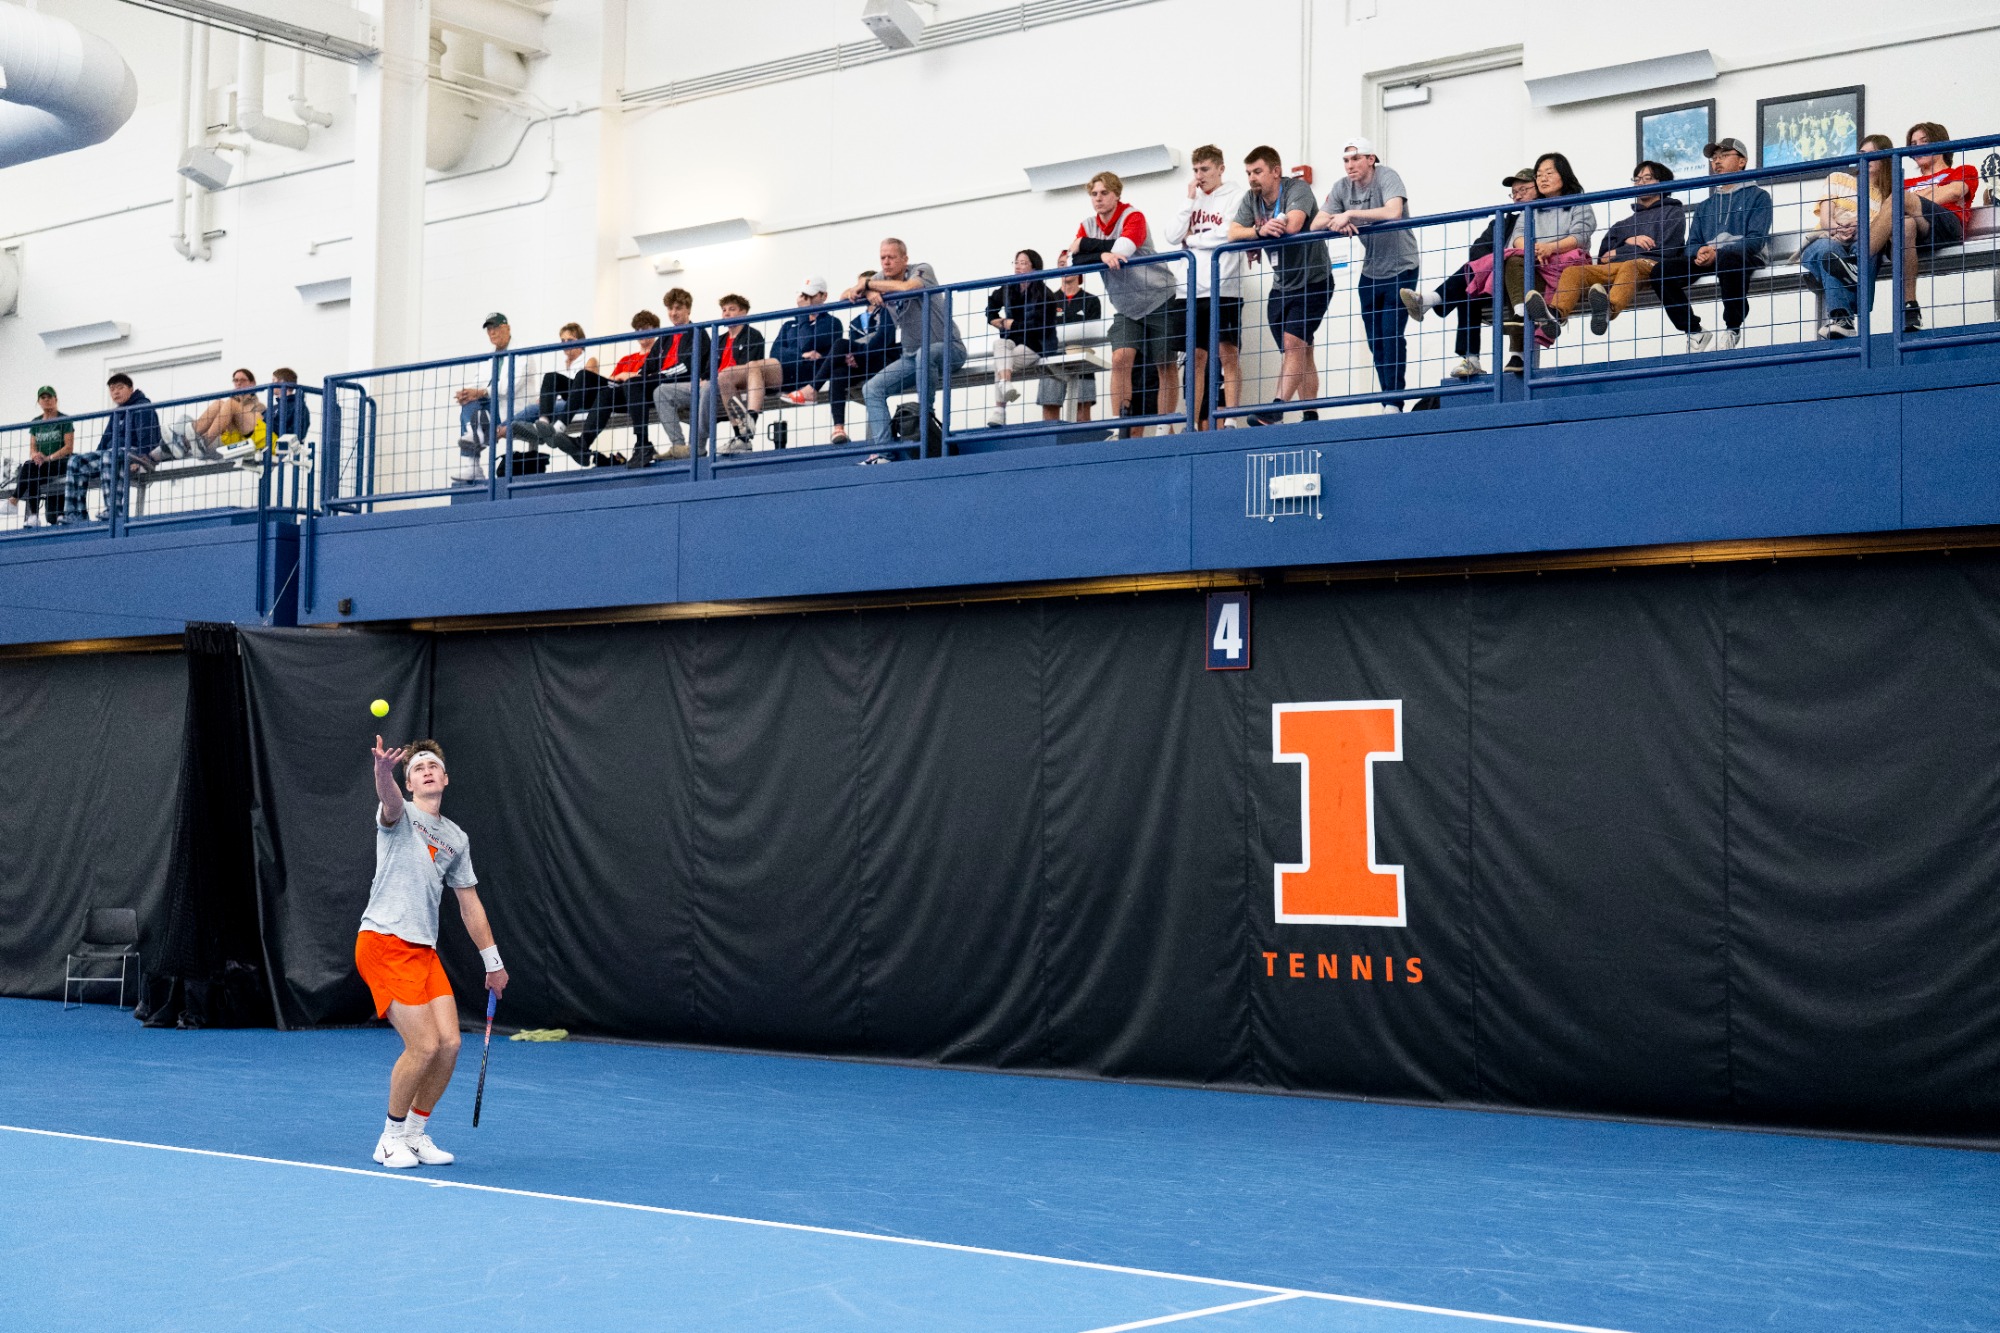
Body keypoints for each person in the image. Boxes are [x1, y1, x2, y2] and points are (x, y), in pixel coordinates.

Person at [356, 736, 508, 1170]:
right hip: (383, 941)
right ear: (409, 782)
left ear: (444, 779)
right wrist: (382, 774)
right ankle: (389, 1139)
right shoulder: (399, 815)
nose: (426, 770)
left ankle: (415, 1134)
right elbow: (387, 801)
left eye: (433, 766)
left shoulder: (455, 838)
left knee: (450, 1045)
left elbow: (470, 904)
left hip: (423, 950)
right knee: (422, 1046)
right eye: (417, 767)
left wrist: (493, 963)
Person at [1066, 171, 1180, 435]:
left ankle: (1164, 424)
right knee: (1120, 358)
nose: (1098, 198)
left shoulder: (1134, 216)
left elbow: (1123, 250)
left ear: (1117, 194)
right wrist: (1102, 252)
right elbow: (1075, 261)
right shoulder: (1088, 223)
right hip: (1126, 307)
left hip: (1158, 297)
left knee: (1164, 361)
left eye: (1104, 193)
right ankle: (1120, 425)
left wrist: (1085, 245)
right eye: (1094, 194)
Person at [1525, 161, 1686, 342]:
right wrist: (1630, 242)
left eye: (1647, 178)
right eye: (1637, 179)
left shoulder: (1673, 212)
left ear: (1662, 182)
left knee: (1632, 265)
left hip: (1649, 267)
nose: (1640, 183)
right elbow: (1604, 257)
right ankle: (1555, 314)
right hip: (1618, 270)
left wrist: (1619, 252)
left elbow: (1665, 249)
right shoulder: (1623, 224)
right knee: (1573, 272)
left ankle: (1608, 309)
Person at [1227, 146, 1331, 423]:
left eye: (1258, 171)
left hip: (1314, 281)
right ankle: (1310, 413)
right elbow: (1233, 232)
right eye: (1248, 172)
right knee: (1302, 348)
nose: (1252, 178)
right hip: (1282, 285)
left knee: (1293, 344)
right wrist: (1257, 233)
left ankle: (1276, 409)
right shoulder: (1252, 199)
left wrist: (1259, 237)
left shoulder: (1297, 189)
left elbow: (1294, 225)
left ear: (1276, 171)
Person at [1312, 136, 1416, 412]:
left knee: (1391, 333)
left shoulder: (1387, 176)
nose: (1350, 165)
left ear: (1371, 159)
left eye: (1356, 158)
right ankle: (1388, 399)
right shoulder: (1341, 187)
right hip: (1370, 271)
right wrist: (1339, 222)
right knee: (1375, 341)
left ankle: (1393, 400)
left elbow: (1394, 211)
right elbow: (1316, 224)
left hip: (1402, 265)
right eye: (1346, 160)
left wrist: (1350, 214)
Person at [1401, 170, 1539, 379]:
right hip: (1493, 279)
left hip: (1526, 278)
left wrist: (1496, 261)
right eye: (1514, 192)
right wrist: (1493, 264)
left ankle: (1431, 300)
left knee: (1478, 276)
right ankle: (1471, 359)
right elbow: (1476, 250)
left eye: (1523, 190)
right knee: (1470, 286)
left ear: (1538, 190)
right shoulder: (1502, 220)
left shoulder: (1543, 217)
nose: (1518, 196)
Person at [842, 239, 966, 464]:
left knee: (924, 355)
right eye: (882, 258)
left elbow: (909, 288)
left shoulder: (922, 270)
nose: (886, 262)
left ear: (905, 259)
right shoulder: (879, 279)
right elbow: (845, 295)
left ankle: (924, 420)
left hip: (949, 349)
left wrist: (869, 285)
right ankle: (883, 452)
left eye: (891, 257)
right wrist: (866, 290)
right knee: (872, 388)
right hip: (912, 356)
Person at [1655, 137, 1771, 352]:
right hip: (1709, 257)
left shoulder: (1759, 196)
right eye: (1713, 158)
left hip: (1739, 257)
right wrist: (1700, 251)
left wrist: (1716, 251)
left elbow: (1755, 241)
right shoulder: (1705, 205)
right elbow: (1691, 244)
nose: (1717, 161)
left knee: (1728, 259)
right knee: (1661, 271)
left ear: (1742, 161)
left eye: (1724, 156)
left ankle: (1732, 329)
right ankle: (1694, 331)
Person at [1165, 144, 1246, 428]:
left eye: (1205, 169)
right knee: (1195, 357)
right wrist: (1188, 201)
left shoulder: (1236, 195)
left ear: (1220, 169)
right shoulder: (1191, 198)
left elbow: (1229, 233)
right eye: (1196, 170)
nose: (1200, 175)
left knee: (1227, 353)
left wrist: (1194, 239)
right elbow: (1172, 235)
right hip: (1188, 289)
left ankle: (1232, 418)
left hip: (1223, 287)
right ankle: (1191, 421)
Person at [1494, 153, 1597, 370]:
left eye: (1549, 173)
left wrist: (1549, 247)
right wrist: (1533, 248)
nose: (1543, 178)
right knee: (1515, 268)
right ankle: (1521, 317)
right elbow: (1517, 238)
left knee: (1521, 283)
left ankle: (1517, 354)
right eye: (1539, 174)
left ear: (1564, 175)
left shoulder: (1579, 203)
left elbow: (1580, 236)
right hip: (1537, 265)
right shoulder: (1532, 208)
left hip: (1565, 267)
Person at [718, 279, 841, 448]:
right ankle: (741, 436)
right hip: (782, 369)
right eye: (803, 295)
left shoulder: (831, 323)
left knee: (754, 365)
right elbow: (776, 352)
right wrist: (800, 355)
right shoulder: (789, 324)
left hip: (806, 374)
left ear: (823, 296)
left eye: (811, 296)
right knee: (725, 376)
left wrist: (804, 313)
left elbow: (807, 342)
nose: (807, 300)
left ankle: (750, 420)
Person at [1902, 121, 1977, 331]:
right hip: (1918, 231)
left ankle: (1861, 257)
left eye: (1924, 142)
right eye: (1913, 144)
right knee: (1905, 224)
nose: (1918, 147)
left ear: (1940, 143)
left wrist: (1913, 199)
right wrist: (1928, 193)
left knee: (1901, 201)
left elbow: (1952, 193)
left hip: (1947, 225)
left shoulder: (1963, 170)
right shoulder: (1906, 182)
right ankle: (1910, 307)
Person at [58, 373, 160, 524]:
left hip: (133, 454)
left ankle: (114, 510)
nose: (115, 392)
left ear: (131, 389)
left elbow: (148, 436)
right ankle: (75, 513)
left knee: (108, 457)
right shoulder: (117, 412)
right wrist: (94, 457)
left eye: (120, 388)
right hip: (112, 454)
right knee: (75, 461)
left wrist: (140, 458)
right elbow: (106, 439)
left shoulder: (142, 406)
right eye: (112, 389)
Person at [983, 250, 1059, 428]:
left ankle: (999, 411)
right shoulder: (1009, 288)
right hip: (1012, 341)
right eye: (1016, 262)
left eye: (1023, 263)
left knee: (1000, 362)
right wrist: (997, 320)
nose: (1018, 267)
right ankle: (1006, 384)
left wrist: (1011, 324)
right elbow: (990, 309)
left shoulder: (1044, 294)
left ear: (1034, 267)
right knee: (999, 344)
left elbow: (1039, 327)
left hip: (1036, 344)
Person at [525, 323, 617, 467]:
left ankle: (508, 428)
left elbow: (586, 384)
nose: (566, 344)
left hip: (585, 398)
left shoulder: (589, 359)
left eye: (570, 340)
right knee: (550, 378)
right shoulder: (562, 364)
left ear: (580, 340)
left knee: (532, 409)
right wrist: (546, 398)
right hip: (568, 400)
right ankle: (543, 423)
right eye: (563, 341)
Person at [452, 312, 529, 483]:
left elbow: (509, 387)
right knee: (469, 405)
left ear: (507, 328)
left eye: (496, 328)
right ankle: (473, 464)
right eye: (489, 330)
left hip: (512, 410)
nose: (492, 333)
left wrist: (479, 392)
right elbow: (477, 383)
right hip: (491, 410)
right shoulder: (488, 358)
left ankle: (476, 434)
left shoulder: (522, 352)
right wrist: (467, 394)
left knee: (479, 402)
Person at [826, 270, 900, 446]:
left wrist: (857, 355)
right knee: (837, 373)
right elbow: (843, 296)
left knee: (839, 345)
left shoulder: (888, 307)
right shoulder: (857, 320)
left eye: (866, 288)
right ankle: (838, 428)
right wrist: (852, 358)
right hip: (861, 361)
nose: (862, 293)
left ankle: (812, 388)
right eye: (860, 289)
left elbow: (884, 341)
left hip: (883, 359)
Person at [647, 289, 711, 461]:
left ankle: (686, 447)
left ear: (688, 309)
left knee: (660, 390)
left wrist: (658, 375)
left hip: (690, 384)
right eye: (670, 309)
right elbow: (648, 365)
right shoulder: (664, 337)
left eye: (678, 308)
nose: (673, 313)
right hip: (666, 383)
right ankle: (678, 447)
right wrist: (639, 376)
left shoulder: (698, 332)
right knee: (646, 388)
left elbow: (689, 365)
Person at [605, 310, 665, 468]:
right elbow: (611, 381)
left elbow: (657, 376)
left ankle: (642, 444)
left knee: (632, 386)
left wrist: (629, 375)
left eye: (645, 328)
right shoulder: (626, 360)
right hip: (624, 398)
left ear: (655, 329)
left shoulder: (660, 355)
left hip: (648, 395)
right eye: (638, 330)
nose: (641, 333)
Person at [1041, 272, 1103, 424]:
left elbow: (1092, 333)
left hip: (1082, 359)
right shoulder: (1047, 301)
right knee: (1050, 406)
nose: (1066, 269)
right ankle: (1052, 448)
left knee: (1082, 410)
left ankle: (1082, 447)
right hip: (1052, 357)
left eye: (1070, 264)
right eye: (1062, 265)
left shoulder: (1091, 301)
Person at [710, 295, 768, 453]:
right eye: (724, 310)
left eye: (732, 309)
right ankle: (698, 445)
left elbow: (750, 365)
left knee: (709, 389)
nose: (726, 313)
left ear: (744, 312)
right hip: (716, 382)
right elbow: (708, 367)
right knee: (704, 389)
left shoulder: (753, 336)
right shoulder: (717, 339)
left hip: (739, 382)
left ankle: (740, 438)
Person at [9, 386, 72, 527]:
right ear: (39, 402)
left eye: (49, 397)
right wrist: (35, 455)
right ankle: (33, 516)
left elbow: (68, 447)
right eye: (43, 398)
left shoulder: (64, 420)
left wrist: (48, 458)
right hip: (43, 464)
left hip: (59, 461)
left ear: (56, 399)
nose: (46, 400)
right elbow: (32, 447)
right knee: (31, 467)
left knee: (30, 468)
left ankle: (14, 500)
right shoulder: (36, 422)